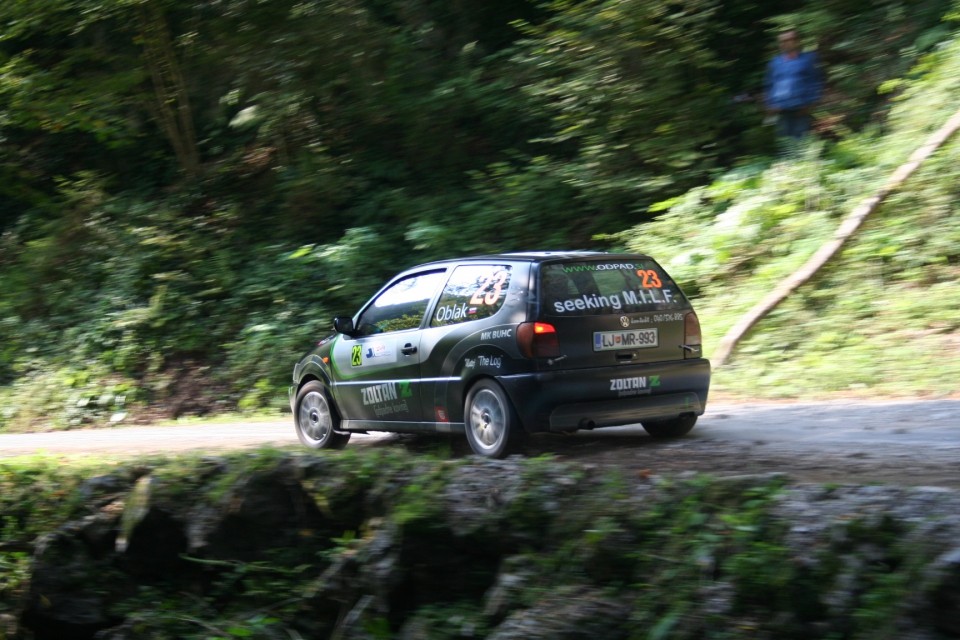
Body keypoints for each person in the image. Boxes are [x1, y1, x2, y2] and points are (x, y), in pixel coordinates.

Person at [765, 30, 823, 140]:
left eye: (788, 40)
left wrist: (811, 102)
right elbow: (769, 84)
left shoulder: (808, 59)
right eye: (782, 41)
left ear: (797, 41)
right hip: (781, 109)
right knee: (784, 143)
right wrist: (770, 103)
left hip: (801, 109)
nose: (784, 43)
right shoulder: (775, 62)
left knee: (801, 142)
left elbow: (815, 81)